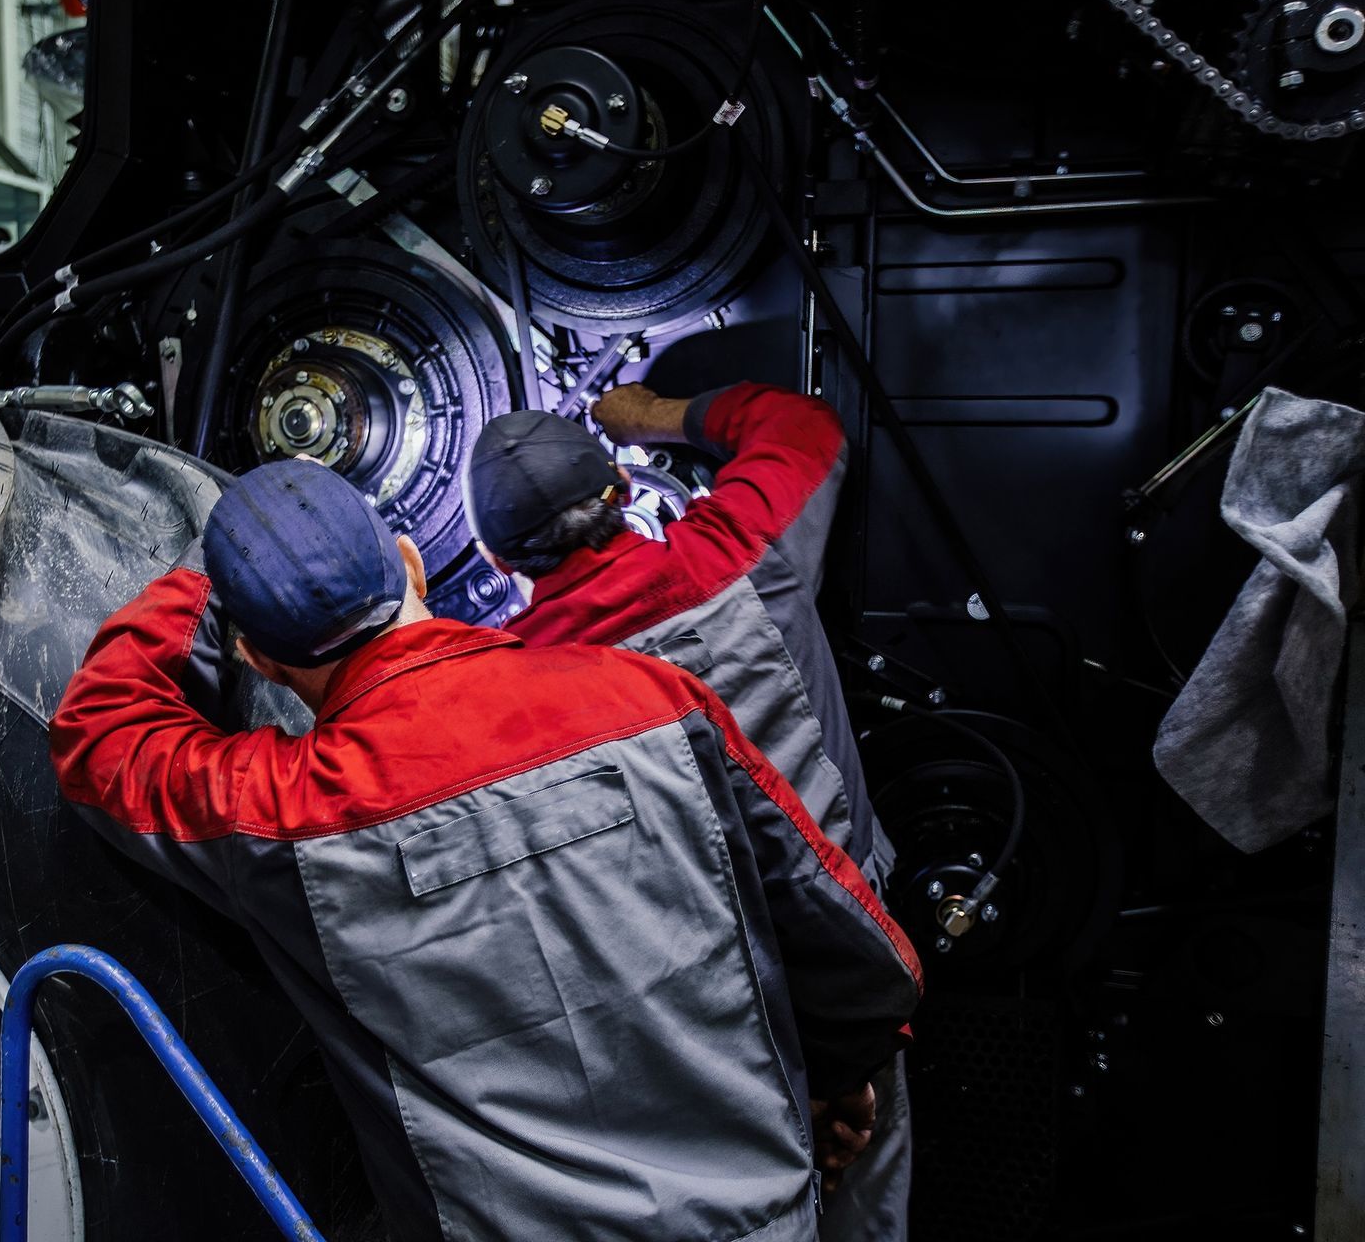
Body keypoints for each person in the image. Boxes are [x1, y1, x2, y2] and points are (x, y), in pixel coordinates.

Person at [50, 458, 921, 1241]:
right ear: (412, 562)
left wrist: (205, 563)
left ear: (258, 663)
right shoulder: (652, 698)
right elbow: (853, 950)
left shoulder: (282, 813)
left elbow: (101, 734)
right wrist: (837, 1081)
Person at [463, 380, 911, 1239]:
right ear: (622, 493)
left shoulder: (514, 683)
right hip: (855, 945)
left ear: (500, 564)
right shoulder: (738, 548)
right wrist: (658, 415)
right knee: (866, 1189)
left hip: (691, 998)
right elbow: (804, 427)